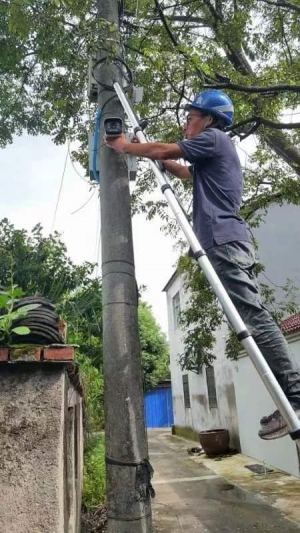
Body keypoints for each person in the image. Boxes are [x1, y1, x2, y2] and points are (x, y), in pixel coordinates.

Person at [105, 89, 300, 440]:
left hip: (224, 241)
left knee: (253, 318)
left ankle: (297, 397)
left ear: (208, 119)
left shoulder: (214, 138)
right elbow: (182, 172)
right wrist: (152, 152)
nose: (186, 122)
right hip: (227, 241)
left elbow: (168, 150)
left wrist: (125, 147)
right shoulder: (212, 155)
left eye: (191, 116)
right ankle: (291, 398)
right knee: (248, 320)